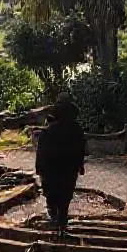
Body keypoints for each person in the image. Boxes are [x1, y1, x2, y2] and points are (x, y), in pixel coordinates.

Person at [34, 93, 85, 236]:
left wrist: (39, 168)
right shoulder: (76, 130)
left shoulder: (48, 131)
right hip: (69, 168)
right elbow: (81, 149)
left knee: (53, 194)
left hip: (52, 170)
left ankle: (56, 220)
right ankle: (62, 222)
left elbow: (41, 152)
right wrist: (80, 165)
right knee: (65, 196)